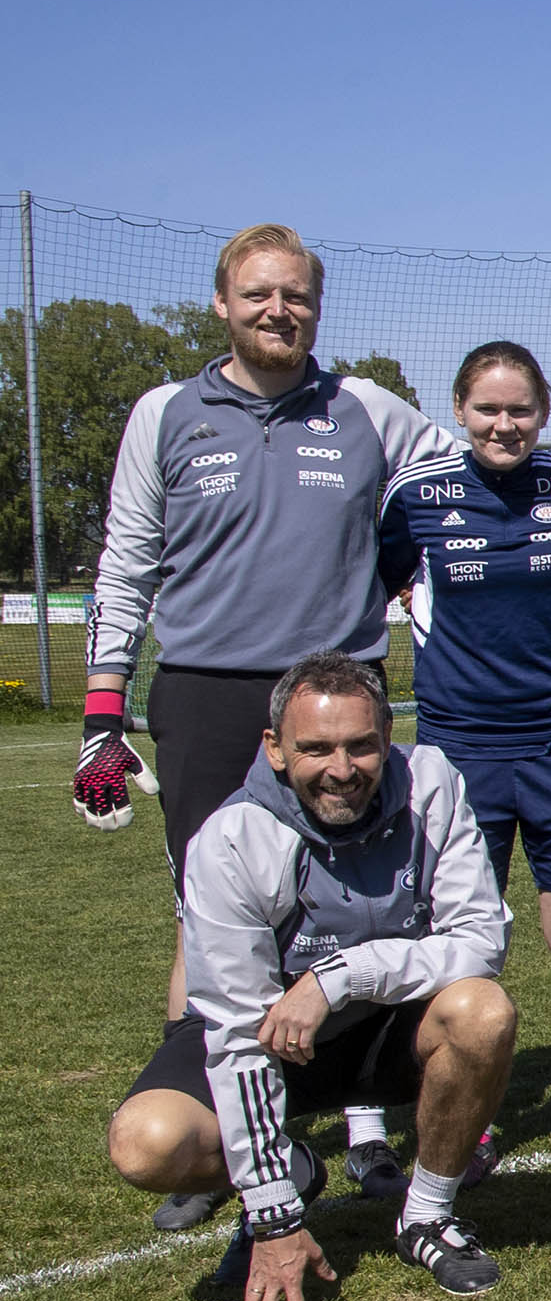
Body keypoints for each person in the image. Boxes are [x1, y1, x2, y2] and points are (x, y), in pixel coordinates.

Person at [82, 224, 462, 1226]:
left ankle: (371, 1118)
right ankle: (225, 1126)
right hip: (208, 688)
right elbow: (124, 565)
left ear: (316, 307)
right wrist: (102, 705)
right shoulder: (165, 413)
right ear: (221, 303)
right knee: (207, 908)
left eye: (295, 295)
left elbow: (476, 464)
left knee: (376, 898)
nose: (277, 311)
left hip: (339, 689)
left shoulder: (366, 411)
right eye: (258, 295)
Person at [101, 654, 515, 1301]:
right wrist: (273, 1215)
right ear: (273, 748)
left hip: (379, 1023)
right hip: (266, 1033)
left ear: (387, 733)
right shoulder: (229, 840)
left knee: (483, 1010)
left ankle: (428, 1215)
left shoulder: (432, 782)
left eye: (360, 744)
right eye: (315, 748)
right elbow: (237, 1034)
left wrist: (337, 976)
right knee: (146, 1143)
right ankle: (293, 1174)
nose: (341, 768)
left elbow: (480, 939)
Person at [378, 342, 551, 1174]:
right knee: (462, 940)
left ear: (543, 412)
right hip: (457, 751)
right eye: (488, 408)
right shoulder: (417, 496)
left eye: (520, 409)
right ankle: (468, 1103)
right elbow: (370, 582)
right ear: (458, 410)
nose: (504, 423)